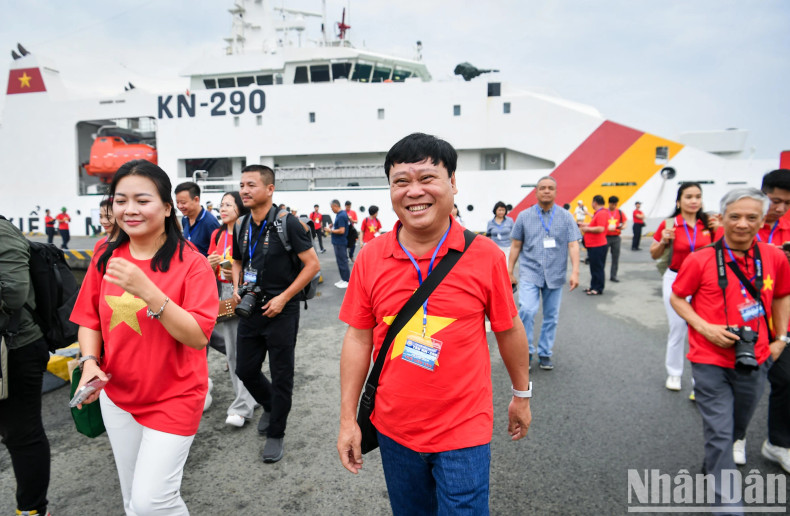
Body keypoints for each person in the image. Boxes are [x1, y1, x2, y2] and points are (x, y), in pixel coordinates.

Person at [337, 133, 531, 515]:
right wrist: (348, 420)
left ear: (453, 183)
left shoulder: (485, 256)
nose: (414, 191)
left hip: (465, 429)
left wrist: (522, 396)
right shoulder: (370, 257)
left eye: (427, 178)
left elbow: (509, 329)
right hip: (394, 429)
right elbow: (358, 339)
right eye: (401, 182)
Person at [70, 160, 218, 515]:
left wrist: (148, 291)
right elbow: (89, 319)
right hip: (117, 395)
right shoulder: (105, 255)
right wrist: (89, 362)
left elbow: (198, 337)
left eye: (142, 200)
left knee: (153, 501)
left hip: (175, 396)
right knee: (132, 500)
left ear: (167, 207)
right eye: (120, 201)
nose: (130, 210)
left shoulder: (192, 263)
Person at [670, 188, 790, 511]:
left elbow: (781, 295)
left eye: (752, 217)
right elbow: (677, 298)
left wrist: (781, 339)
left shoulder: (775, 257)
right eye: (734, 216)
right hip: (709, 359)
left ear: (763, 220)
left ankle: (714, 464)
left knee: (737, 425)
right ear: (721, 218)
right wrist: (705, 327)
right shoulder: (700, 259)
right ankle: (728, 504)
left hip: (758, 358)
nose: (742, 224)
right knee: (721, 432)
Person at [231, 165, 320, 463]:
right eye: (242, 184)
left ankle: (276, 433)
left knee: (282, 375)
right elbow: (237, 261)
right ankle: (270, 405)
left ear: (270, 189)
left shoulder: (288, 223)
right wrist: (236, 286)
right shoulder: (241, 224)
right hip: (250, 306)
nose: (244, 190)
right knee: (245, 369)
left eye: (251, 185)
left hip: (282, 308)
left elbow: (312, 265)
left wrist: (283, 298)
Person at [0, 216, 51, 516]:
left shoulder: (2, 230)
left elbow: (14, 292)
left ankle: (32, 509)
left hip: (16, 348)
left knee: (21, 433)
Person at [509, 176, 581, 371]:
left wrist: (575, 271)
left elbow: (573, 244)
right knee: (527, 310)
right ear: (536, 192)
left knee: (551, 316)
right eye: (542, 188)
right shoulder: (524, 216)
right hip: (530, 272)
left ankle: (545, 353)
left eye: (550, 188)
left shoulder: (566, 217)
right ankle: (526, 351)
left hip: (556, 274)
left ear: (556, 192)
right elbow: (516, 245)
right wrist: (510, 271)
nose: (546, 191)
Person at [650, 182, 713, 392]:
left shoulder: (709, 225)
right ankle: (674, 374)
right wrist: (662, 242)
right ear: (679, 201)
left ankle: (700, 380)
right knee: (677, 328)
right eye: (688, 197)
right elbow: (654, 254)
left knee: (702, 330)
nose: (694, 200)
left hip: (704, 283)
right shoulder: (670, 224)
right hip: (675, 279)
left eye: (698, 196)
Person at [207, 192, 257, 428]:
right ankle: (245, 400)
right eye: (221, 205)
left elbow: (256, 267)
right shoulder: (217, 233)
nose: (223, 208)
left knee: (245, 350)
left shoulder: (248, 232)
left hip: (246, 294)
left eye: (228, 204)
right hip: (226, 295)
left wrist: (236, 275)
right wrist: (210, 264)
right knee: (232, 352)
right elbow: (210, 265)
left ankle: (244, 402)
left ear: (240, 208)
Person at [758, 169, 790, 472]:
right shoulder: (743, 222)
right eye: (775, 200)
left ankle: (778, 443)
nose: (779, 208)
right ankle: (734, 437)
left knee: (785, 380)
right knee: (739, 384)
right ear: (763, 192)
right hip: (745, 317)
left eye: (787, 203)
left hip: (781, 318)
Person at [175, 181, 220, 256]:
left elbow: (218, 251)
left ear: (196, 200)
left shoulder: (210, 222)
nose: (179, 206)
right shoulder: (185, 219)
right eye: (177, 202)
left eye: (183, 203)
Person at [579, 195, 608, 295]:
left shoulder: (602, 213)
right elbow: (595, 225)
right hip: (593, 245)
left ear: (595, 202)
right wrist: (585, 225)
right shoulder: (598, 213)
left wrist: (587, 229)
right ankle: (593, 286)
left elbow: (601, 228)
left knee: (597, 267)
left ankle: (598, 288)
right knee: (594, 267)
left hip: (598, 245)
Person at [329, 200, 351, 289]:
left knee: (343, 261)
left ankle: (347, 280)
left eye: (332, 208)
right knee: (340, 261)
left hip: (340, 242)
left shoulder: (341, 215)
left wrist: (330, 230)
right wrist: (333, 226)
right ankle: (343, 279)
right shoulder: (340, 214)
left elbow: (342, 230)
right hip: (338, 242)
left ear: (335, 206)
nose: (332, 210)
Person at [605, 196, 627, 282]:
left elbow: (625, 223)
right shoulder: (605, 212)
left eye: (615, 204)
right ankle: (600, 275)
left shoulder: (620, 212)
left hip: (616, 237)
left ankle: (613, 276)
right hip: (606, 237)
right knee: (602, 257)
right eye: (612, 204)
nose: (614, 206)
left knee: (615, 257)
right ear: (609, 203)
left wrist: (622, 227)